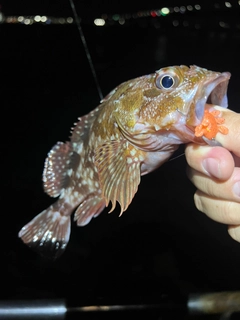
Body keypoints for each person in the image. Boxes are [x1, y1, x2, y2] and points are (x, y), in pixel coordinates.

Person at [185, 106, 240, 243]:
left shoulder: (211, 118)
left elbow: (201, 131)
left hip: (213, 128)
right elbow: (198, 132)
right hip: (209, 130)